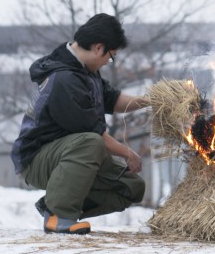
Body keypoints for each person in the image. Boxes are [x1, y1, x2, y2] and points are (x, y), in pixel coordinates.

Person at [11, 13, 147, 235]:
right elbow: (94, 134)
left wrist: (151, 100)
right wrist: (128, 153)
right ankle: (59, 214)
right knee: (91, 143)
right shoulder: (65, 79)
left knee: (131, 187)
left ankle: (52, 204)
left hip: (71, 153)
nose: (108, 62)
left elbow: (113, 100)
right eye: (110, 56)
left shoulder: (86, 71)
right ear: (98, 48)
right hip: (36, 159)